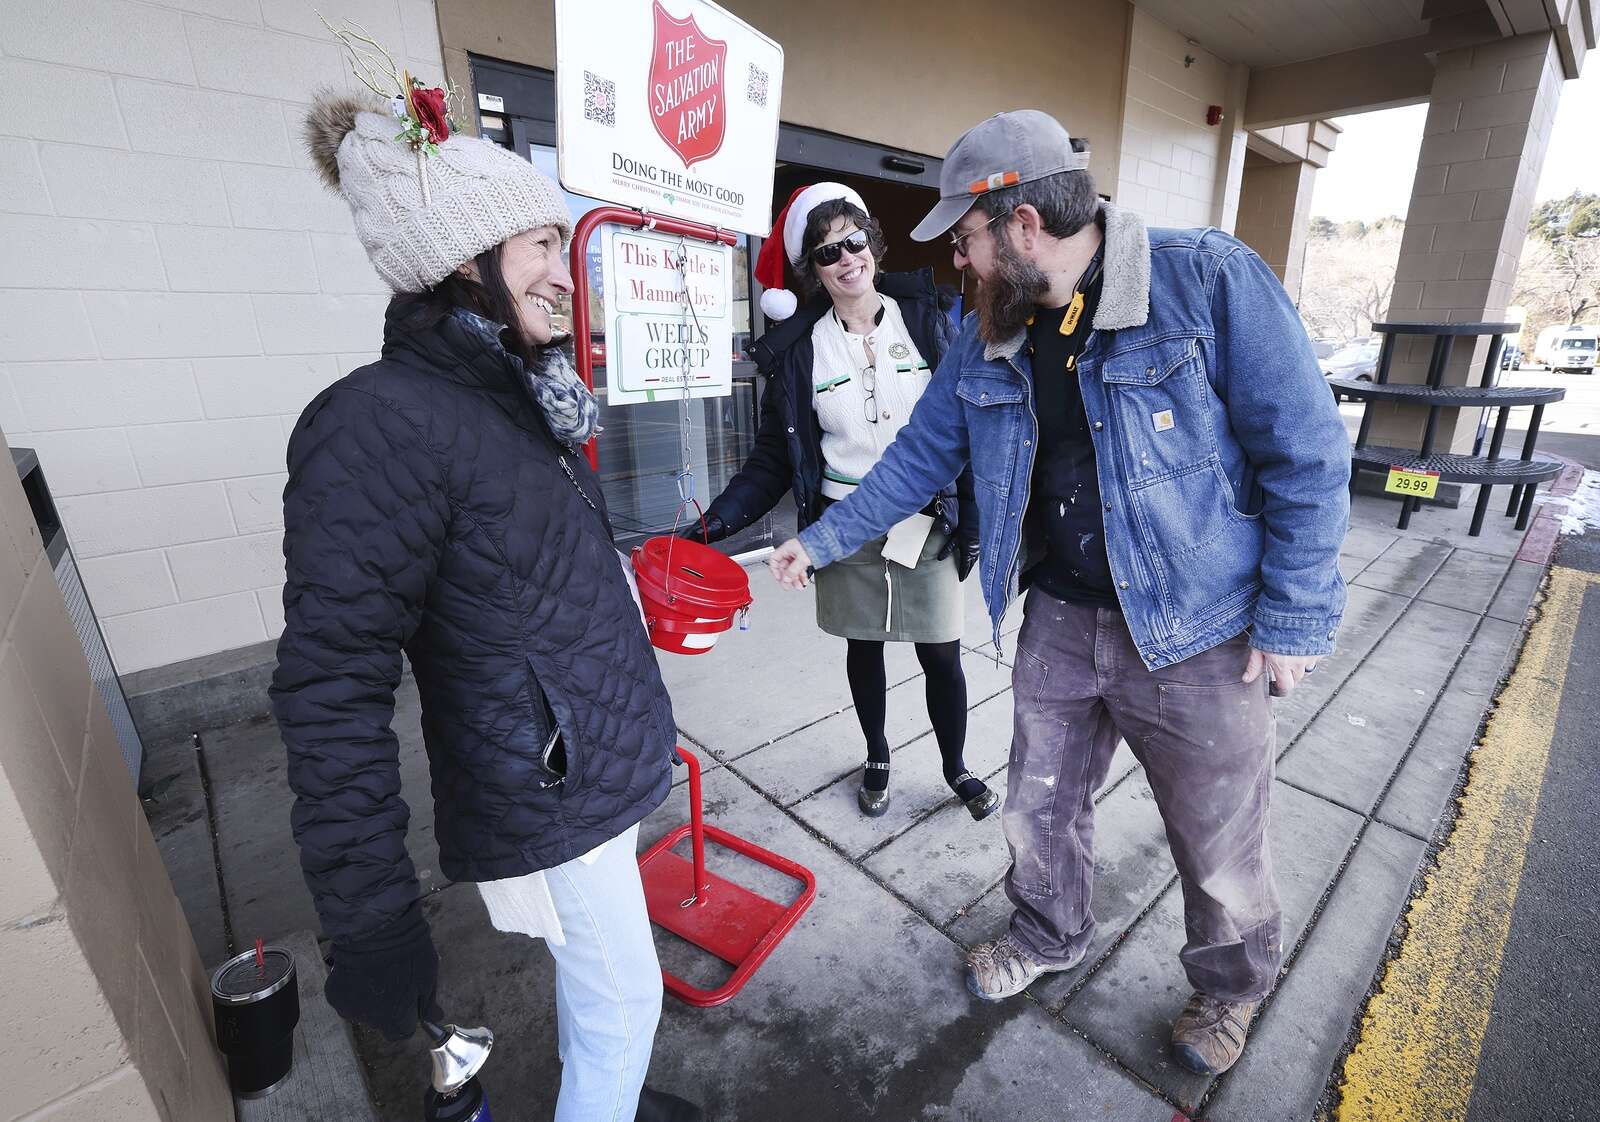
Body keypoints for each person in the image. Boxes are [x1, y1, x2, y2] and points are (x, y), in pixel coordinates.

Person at [768, 111, 1350, 1076]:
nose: (959, 261)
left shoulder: (1204, 279)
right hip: (1064, 614)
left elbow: (1308, 453)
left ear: (1025, 225)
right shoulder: (989, 333)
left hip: (1200, 624)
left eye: (966, 239)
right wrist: (821, 539)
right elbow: (916, 458)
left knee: (1217, 836)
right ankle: (1048, 932)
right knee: (1038, 804)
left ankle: (1231, 984)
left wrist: (1293, 616)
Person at [271, 90, 701, 1122]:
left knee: (604, 984)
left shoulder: (514, 393)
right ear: (466, 261)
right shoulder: (379, 424)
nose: (565, 271)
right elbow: (331, 687)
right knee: (625, 1003)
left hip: (594, 762)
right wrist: (370, 916)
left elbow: (525, 580)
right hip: (545, 789)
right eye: (542, 244)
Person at [686, 183, 995, 821]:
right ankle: (877, 755)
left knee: (942, 649)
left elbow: (969, 427)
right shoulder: (800, 351)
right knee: (864, 647)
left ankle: (956, 766)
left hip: (925, 523)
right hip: (841, 527)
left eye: (855, 242)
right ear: (813, 269)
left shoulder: (930, 321)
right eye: (828, 252)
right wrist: (714, 524)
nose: (847, 259)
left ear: (873, 244)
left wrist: (972, 518)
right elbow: (773, 459)